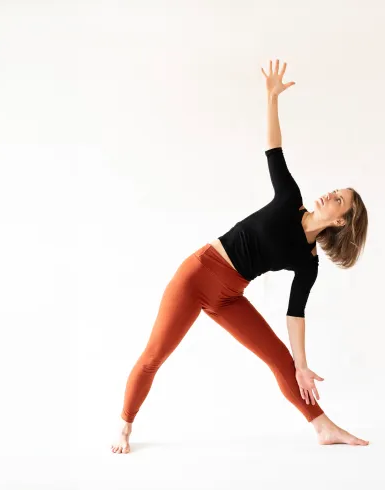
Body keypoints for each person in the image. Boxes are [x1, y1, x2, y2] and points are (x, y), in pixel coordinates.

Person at [111, 59, 369, 453]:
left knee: (282, 360)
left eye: (339, 200)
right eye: (335, 190)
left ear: (339, 221)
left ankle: (323, 428)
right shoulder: (289, 199)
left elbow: (295, 314)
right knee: (154, 357)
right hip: (197, 275)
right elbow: (273, 149)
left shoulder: (308, 261)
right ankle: (125, 425)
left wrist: (302, 365)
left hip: (229, 296)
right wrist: (272, 98)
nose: (330, 194)